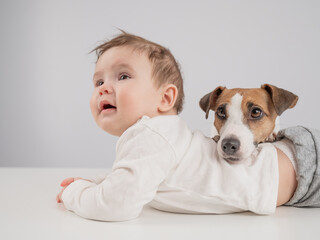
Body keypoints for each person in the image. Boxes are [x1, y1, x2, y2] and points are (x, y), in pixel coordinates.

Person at [56, 32, 319, 221]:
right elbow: (140, 180)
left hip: (308, 168)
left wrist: (75, 194)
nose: (104, 89)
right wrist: (99, 183)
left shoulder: (153, 135)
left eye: (123, 76)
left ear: (166, 98)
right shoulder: (157, 139)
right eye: (98, 82)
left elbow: (115, 205)